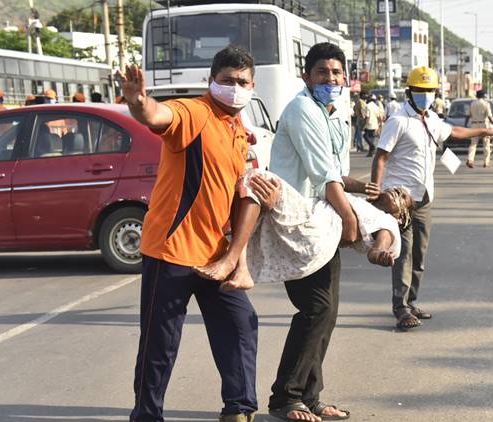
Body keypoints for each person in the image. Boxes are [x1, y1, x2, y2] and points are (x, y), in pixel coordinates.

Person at [118, 45, 260, 422]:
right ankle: (147, 415)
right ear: (211, 81)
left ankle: (239, 408)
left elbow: (242, 196)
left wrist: (236, 260)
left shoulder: (241, 134)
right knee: (159, 344)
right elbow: (159, 115)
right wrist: (139, 103)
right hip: (170, 251)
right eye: (227, 80)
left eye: (242, 82)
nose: (235, 87)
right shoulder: (195, 112)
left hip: (215, 254)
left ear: (252, 86)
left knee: (240, 323)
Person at [265, 42, 363, 422]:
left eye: (337, 73)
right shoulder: (304, 109)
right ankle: (285, 398)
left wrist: (362, 196)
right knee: (315, 308)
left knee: (327, 311)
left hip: (321, 220)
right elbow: (324, 175)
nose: (331, 79)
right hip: (296, 223)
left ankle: (310, 395)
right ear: (307, 76)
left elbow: (337, 173)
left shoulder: (335, 111)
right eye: (323, 72)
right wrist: (351, 220)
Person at [371, 66, 493, 331]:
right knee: (404, 252)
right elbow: (381, 157)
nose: (425, 95)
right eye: (420, 91)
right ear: (409, 92)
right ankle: (401, 307)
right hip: (401, 199)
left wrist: (483, 132)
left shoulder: (430, 118)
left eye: (429, 91)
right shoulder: (398, 120)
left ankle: (412, 300)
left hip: (424, 197)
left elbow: (453, 131)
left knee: (420, 253)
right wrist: (377, 190)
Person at [195, 169, 411, 287]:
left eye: (403, 197)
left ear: (401, 217)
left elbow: (379, 245)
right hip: (310, 233)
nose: (396, 192)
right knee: (251, 207)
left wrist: (379, 254)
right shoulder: (362, 204)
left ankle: (235, 263)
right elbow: (334, 178)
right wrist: (364, 186)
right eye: (396, 188)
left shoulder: (387, 223)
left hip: (315, 229)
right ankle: (239, 268)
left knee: (259, 179)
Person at [464, 89, 493, 168]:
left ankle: (470, 159)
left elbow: (468, 115)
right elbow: (489, 116)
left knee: (473, 144)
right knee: (486, 144)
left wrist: (465, 125)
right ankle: (486, 162)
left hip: (474, 125)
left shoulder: (472, 104)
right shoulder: (486, 104)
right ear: (483, 96)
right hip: (484, 125)